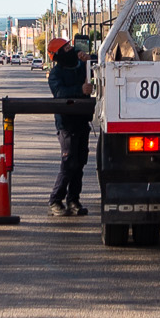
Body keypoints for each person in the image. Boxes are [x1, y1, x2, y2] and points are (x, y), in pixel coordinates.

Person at [46, 38, 92, 216]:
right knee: (69, 162)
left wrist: (89, 60)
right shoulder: (56, 74)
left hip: (82, 120)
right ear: (58, 55)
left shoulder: (82, 66)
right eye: (66, 48)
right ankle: (55, 200)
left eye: (70, 46)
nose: (71, 49)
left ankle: (73, 200)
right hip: (66, 123)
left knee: (80, 162)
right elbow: (59, 93)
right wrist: (80, 89)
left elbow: (99, 66)